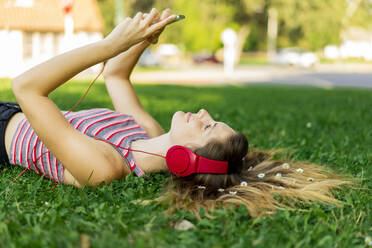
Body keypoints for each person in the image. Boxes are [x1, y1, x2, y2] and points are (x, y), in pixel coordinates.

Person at [0, 8, 351, 217]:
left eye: (206, 126)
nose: (202, 112)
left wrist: (108, 45)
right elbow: (116, 75)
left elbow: (28, 87)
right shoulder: (145, 130)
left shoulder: (105, 168)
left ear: (184, 159)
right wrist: (143, 38)